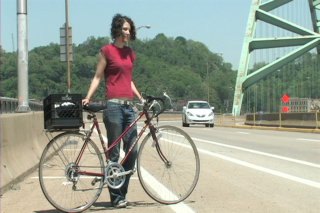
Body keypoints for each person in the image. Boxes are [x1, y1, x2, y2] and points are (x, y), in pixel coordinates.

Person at [82, 13, 144, 208]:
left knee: (132, 150)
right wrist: (88, 97)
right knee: (114, 153)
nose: (128, 32)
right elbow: (98, 77)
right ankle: (117, 198)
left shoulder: (130, 53)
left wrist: (140, 98)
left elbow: (129, 80)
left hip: (128, 107)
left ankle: (121, 192)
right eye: (125, 29)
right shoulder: (106, 51)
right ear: (117, 30)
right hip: (113, 106)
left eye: (129, 29)